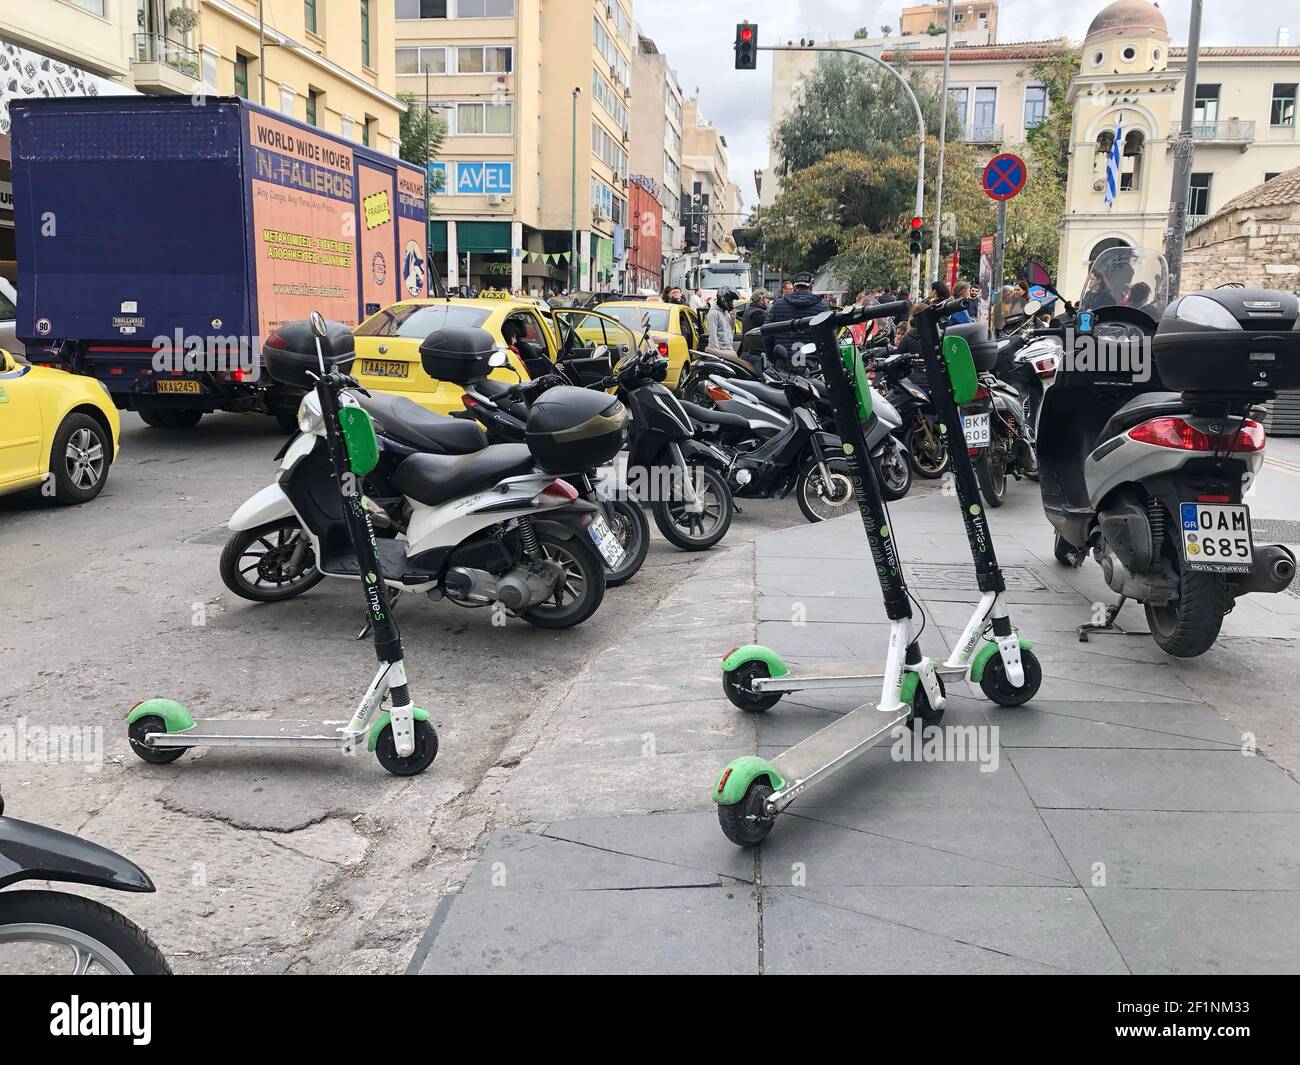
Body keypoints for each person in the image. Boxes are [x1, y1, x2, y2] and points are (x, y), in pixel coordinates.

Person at [763, 271, 827, 368]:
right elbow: (827, 337)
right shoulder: (821, 307)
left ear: (794, 286)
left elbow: (767, 332)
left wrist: (773, 357)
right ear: (811, 286)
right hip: (809, 362)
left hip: (783, 361)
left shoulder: (779, 304)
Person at [741, 289, 770, 373]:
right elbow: (769, 328)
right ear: (761, 300)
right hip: (755, 353)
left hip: (748, 351)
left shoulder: (750, 310)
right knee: (769, 376)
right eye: (767, 298)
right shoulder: (758, 313)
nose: (768, 301)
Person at [706, 288, 738, 355]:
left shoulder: (726, 312)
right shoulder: (713, 314)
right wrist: (716, 353)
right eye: (730, 300)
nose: (731, 303)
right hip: (719, 351)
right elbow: (712, 335)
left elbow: (729, 329)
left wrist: (733, 319)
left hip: (728, 350)